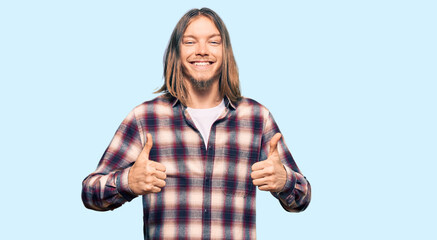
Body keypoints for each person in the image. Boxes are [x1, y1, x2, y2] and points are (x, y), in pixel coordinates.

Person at [82, 7, 311, 239]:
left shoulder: (256, 118)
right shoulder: (145, 118)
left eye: (213, 42)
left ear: (226, 52)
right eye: (190, 42)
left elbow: (302, 198)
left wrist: (285, 180)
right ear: (176, 52)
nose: (202, 51)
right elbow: (90, 193)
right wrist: (128, 181)